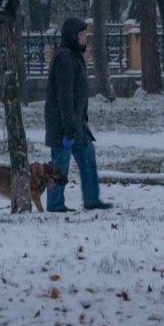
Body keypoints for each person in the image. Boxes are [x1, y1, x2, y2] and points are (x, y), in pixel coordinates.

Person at [44, 17, 112, 212]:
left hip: (77, 123)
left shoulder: (74, 56)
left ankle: (92, 200)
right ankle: (55, 204)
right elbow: (64, 95)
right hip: (64, 124)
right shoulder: (64, 58)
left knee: (88, 159)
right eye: (83, 34)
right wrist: (69, 127)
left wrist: (80, 121)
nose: (86, 37)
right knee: (59, 166)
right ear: (73, 36)